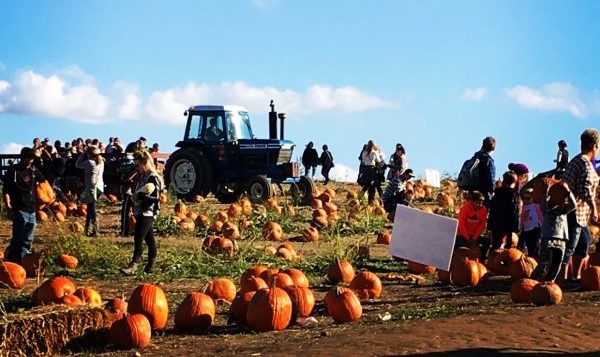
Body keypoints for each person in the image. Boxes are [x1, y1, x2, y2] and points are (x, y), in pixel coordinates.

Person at [561, 129, 600, 283]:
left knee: (583, 242)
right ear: (594, 145)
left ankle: (575, 276)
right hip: (575, 211)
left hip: (577, 212)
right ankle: (561, 279)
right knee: (570, 246)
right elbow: (585, 190)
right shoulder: (585, 164)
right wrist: (594, 209)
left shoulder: (576, 161)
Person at [120, 151, 163, 275]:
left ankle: (134, 265)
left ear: (145, 164)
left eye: (138, 165)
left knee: (138, 237)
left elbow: (155, 197)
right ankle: (150, 267)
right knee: (150, 240)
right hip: (140, 210)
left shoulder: (153, 178)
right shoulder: (143, 176)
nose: (137, 168)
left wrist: (139, 196)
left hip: (147, 211)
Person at [2, 147, 46, 263]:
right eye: (29, 158)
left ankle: (23, 261)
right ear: (22, 157)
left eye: (32, 159)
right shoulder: (13, 171)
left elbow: (43, 181)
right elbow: (6, 191)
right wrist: (9, 208)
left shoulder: (33, 169)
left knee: (28, 239)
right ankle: (13, 262)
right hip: (19, 208)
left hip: (32, 209)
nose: (30, 161)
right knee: (18, 238)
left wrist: (46, 196)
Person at [532, 182, 576, 282]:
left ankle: (550, 281)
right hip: (547, 238)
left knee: (557, 263)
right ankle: (533, 280)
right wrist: (545, 192)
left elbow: (574, 205)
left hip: (561, 240)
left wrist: (568, 191)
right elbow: (544, 204)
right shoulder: (547, 209)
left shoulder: (564, 210)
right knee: (544, 262)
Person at [76, 145, 105, 236]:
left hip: (92, 187)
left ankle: (96, 230)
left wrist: (82, 155)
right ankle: (87, 229)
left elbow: (77, 164)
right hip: (100, 187)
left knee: (92, 210)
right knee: (90, 208)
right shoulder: (101, 162)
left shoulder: (89, 162)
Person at [488, 171, 520, 250]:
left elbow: (492, 209)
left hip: (496, 224)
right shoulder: (515, 195)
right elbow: (515, 212)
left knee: (495, 247)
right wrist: (516, 227)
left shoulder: (497, 193)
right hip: (508, 225)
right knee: (506, 249)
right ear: (515, 182)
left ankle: (493, 261)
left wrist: (490, 225)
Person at [455, 191, 490, 261]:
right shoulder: (464, 209)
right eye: (477, 203)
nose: (480, 205)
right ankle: (457, 260)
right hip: (462, 234)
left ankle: (481, 260)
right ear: (472, 202)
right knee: (459, 243)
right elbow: (461, 225)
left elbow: (482, 225)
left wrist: (474, 238)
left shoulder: (483, 210)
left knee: (487, 242)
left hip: (474, 235)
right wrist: (467, 238)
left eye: (481, 203)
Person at [519, 189, 543, 258]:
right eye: (524, 198)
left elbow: (540, 216)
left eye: (528, 198)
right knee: (529, 247)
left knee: (536, 246)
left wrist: (542, 225)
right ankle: (530, 260)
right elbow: (522, 217)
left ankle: (536, 261)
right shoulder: (523, 207)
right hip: (526, 229)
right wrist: (521, 227)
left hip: (535, 228)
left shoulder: (536, 206)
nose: (526, 200)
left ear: (532, 198)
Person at [474, 137, 496, 207]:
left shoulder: (476, 156)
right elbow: (491, 180)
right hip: (484, 195)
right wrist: (493, 191)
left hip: (473, 191)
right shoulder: (488, 161)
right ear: (493, 148)